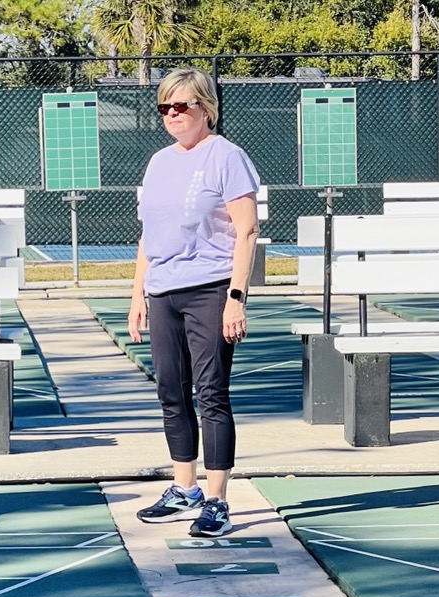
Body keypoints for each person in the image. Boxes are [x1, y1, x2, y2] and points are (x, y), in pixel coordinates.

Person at [127, 67, 261, 537]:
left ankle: (218, 500)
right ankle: (184, 488)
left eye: (181, 106)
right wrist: (138, 292)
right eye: (165, 107)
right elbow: (149, 234)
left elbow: (246, 231)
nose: (172, 115)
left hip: (210, 287)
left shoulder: (228, 157)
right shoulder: (159, 163)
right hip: (163, 290)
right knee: (170, 393)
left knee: (211, 395)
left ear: (205, 107)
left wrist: (236, 298)